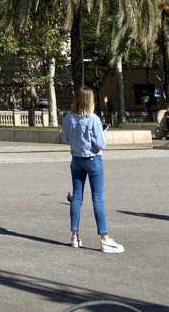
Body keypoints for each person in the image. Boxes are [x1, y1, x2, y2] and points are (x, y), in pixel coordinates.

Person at [61, 87, 124, 253]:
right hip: (93, 159)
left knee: (76, 197)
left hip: (76, 159)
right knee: (98, 199)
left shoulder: (68, 117)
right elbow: (101, 144)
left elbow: (65, 137)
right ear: (91, 101)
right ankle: (105, 238)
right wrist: (101, 133)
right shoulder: (93, 119)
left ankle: (74, 235)